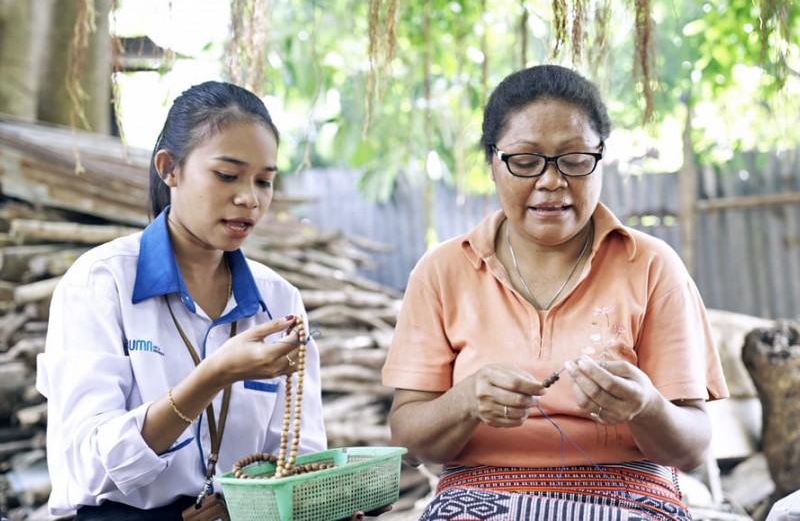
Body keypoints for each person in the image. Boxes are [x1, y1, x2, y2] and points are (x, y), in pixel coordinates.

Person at [381, 64, 730, 520]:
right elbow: (408, 440)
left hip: (631, 501)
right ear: (492, 163)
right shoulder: (442, 270)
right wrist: (464, 401)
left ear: (601, 158)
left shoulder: (651, 265)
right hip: (475, 503)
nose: (551, 181)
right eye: (525, 162)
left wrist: (646, 407)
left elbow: (692, 447)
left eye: (575, 159)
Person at [36, 81, 331, 520]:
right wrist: (210, 377)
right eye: (227, 175)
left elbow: (300, 456)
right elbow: (88, 465)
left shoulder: (279, 300)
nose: (249, 197)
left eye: (264, 181)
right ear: (169, 168)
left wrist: (241, 509)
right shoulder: (100, 283)